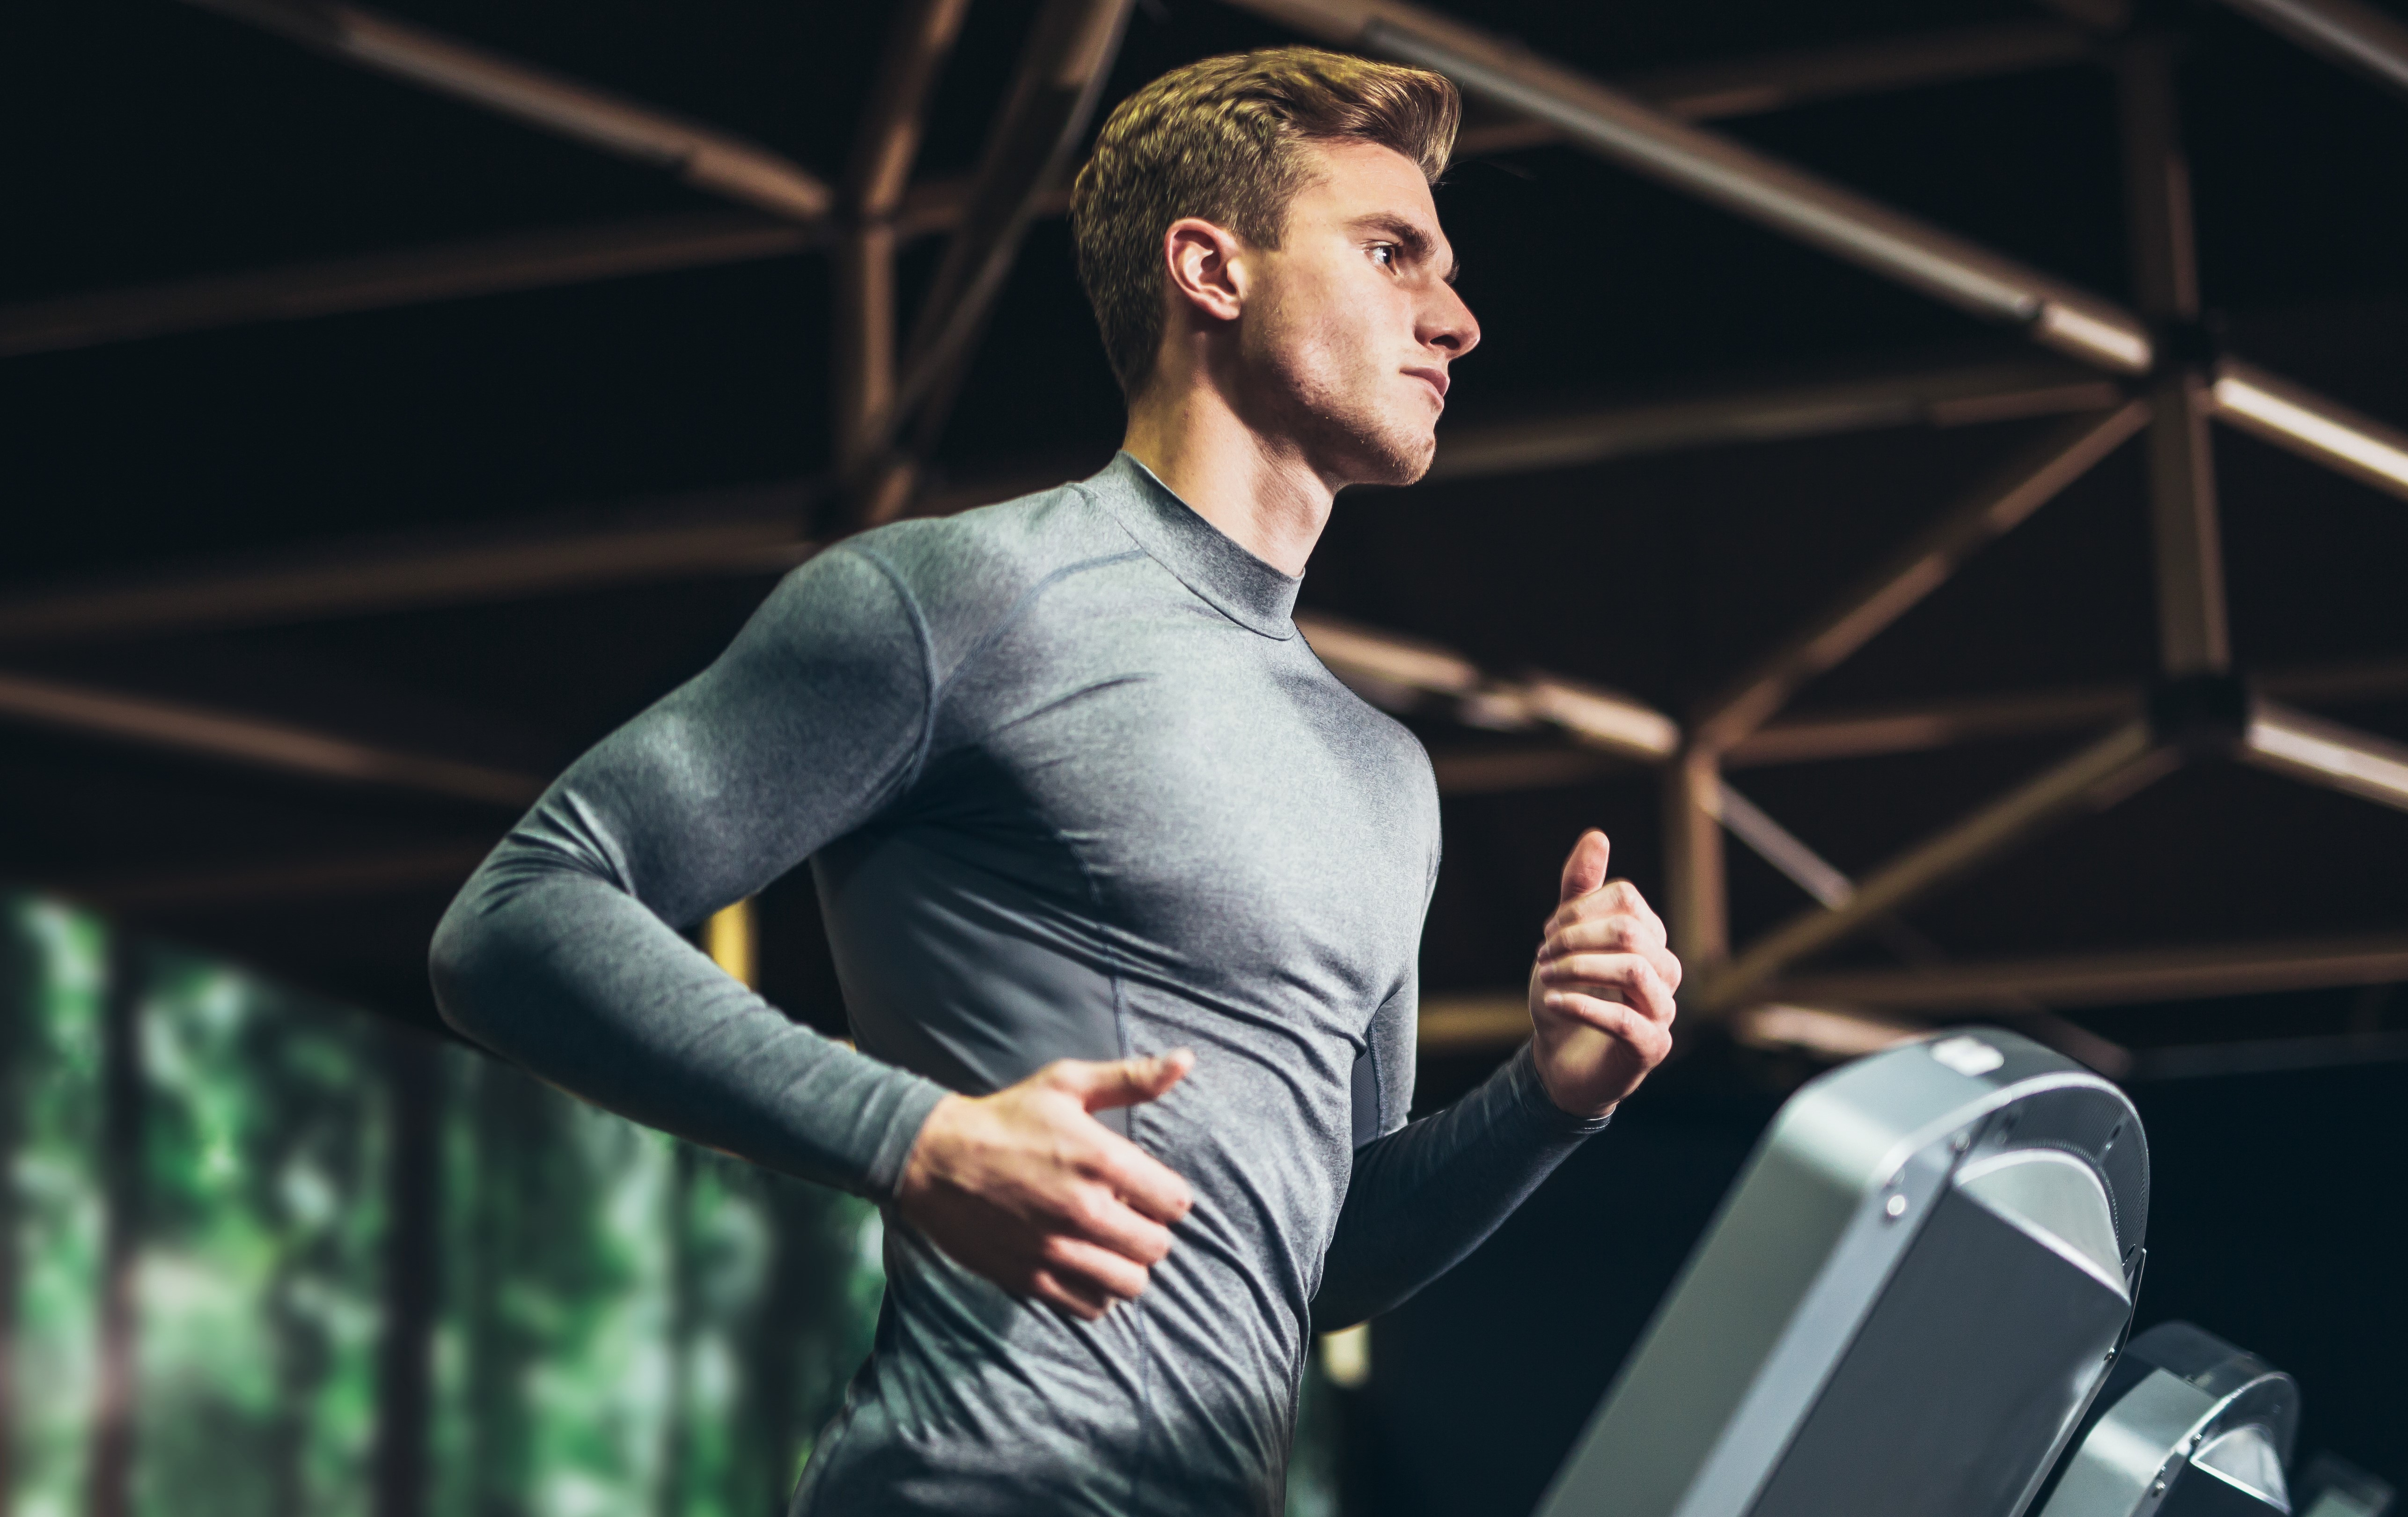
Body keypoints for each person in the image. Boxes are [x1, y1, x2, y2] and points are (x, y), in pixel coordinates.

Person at [430, 44, 1680, 1516]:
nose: (1457, 320)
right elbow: (514, 921)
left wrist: (1550, 1096)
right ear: (1210, 270)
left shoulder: (1383, 772)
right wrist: (920, 1137)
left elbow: (1317, 1255)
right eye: (1392, 252)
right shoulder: (969, 598)